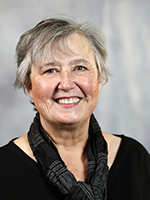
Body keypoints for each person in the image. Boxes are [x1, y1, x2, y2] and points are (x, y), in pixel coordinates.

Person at [0, 17, 149, 200]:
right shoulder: (4, 169)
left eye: (80, 67)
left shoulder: (135, 160)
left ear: (99, 79)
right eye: (51, 70)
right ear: (29, 86)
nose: (66, 84)